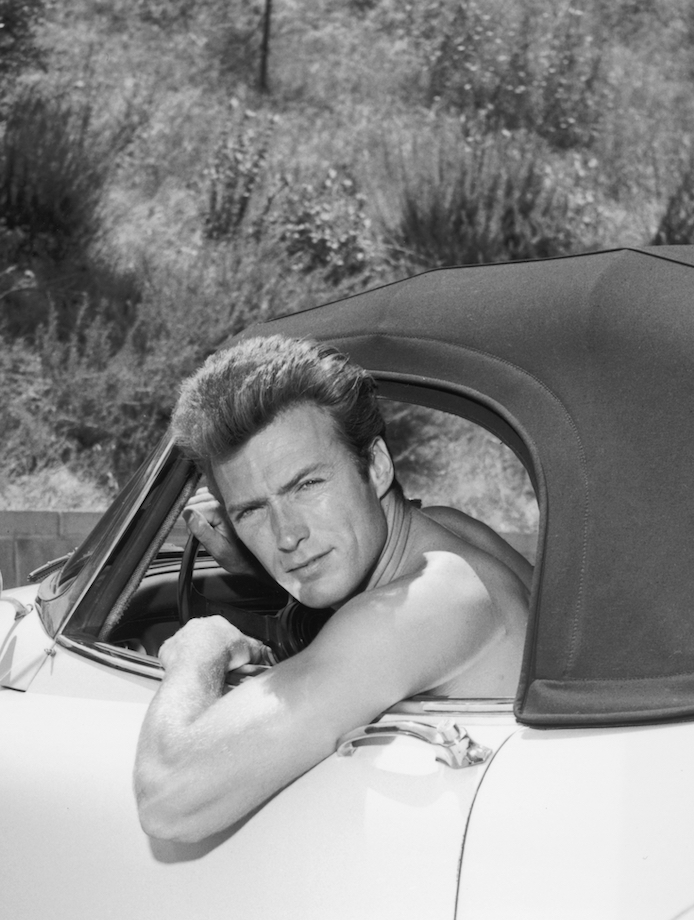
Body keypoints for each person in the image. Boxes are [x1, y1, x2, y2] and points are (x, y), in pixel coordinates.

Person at [133, 335, 530, 843]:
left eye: (307, 485)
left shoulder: (419, 611)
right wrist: (262, 575)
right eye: (252, 511)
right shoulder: (450, 532)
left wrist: (197, 651)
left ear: (378, 465)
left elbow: (170, 801)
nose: (287, 536)